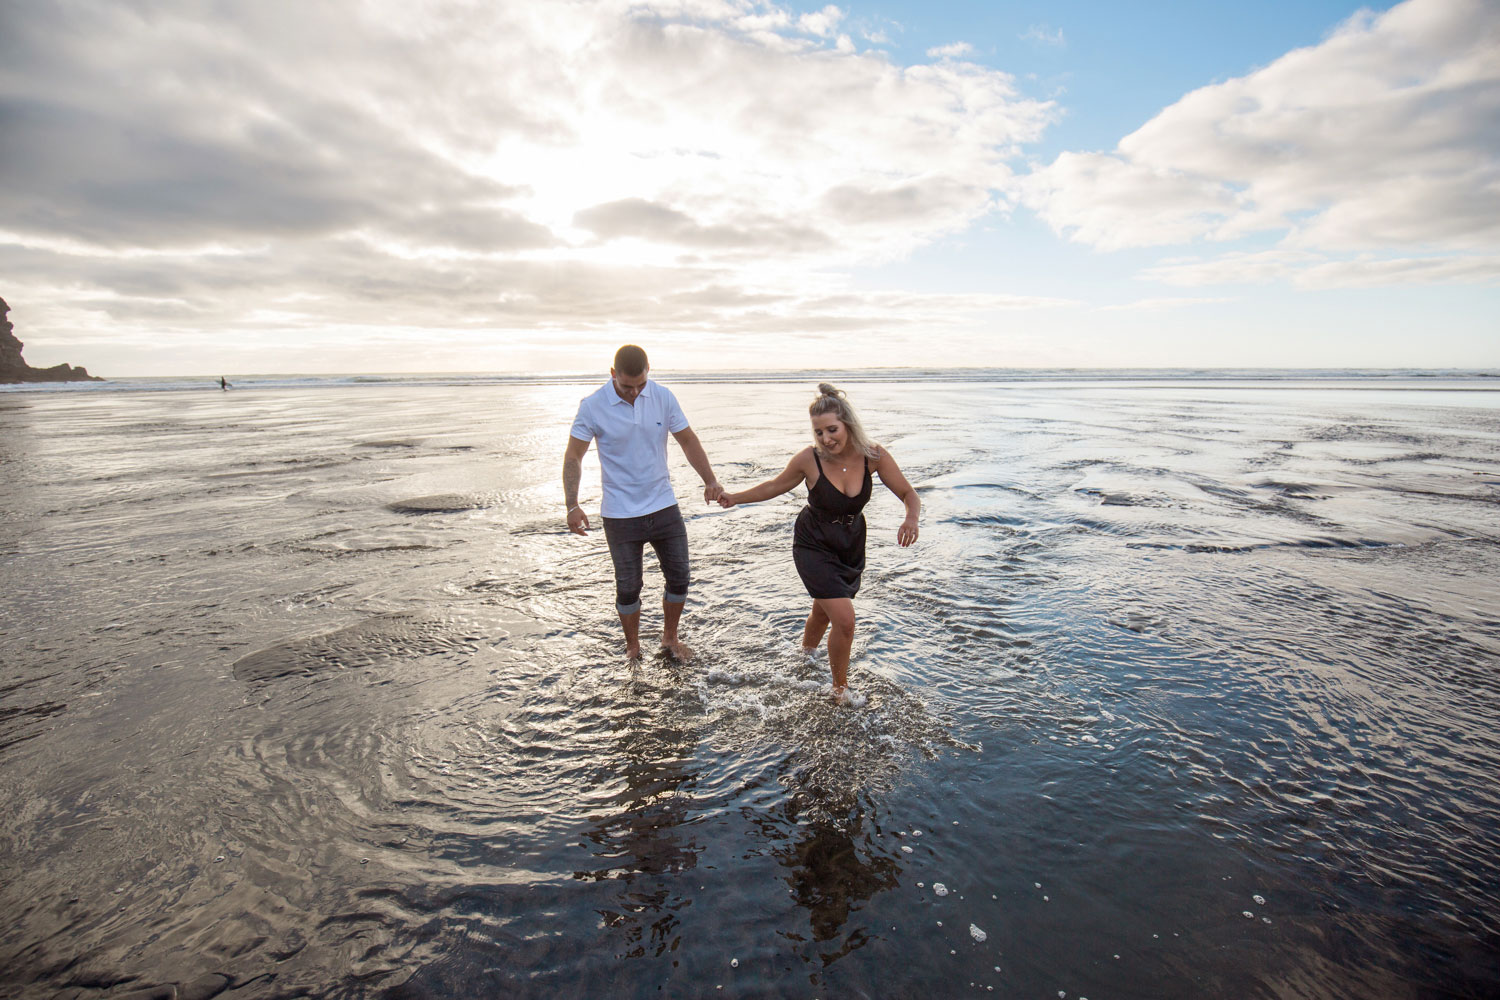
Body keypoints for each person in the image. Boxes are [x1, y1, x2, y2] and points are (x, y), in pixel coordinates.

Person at [717, 383, 919, 703]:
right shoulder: (808, 459)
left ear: (848, 424)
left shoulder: (874, 456)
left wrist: (910, 518)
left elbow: (909, 494)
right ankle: (840, 690)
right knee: (845, 619)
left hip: (849, 544)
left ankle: (805, 654)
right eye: (819, 432)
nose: (826, 439)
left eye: (832, 430)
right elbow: (774, 486)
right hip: (813, 542)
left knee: (824, 612)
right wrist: (734, 498)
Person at [564, 345, 724, 661]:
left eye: (641, 384)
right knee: (628, 586)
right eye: (627, 386)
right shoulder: (593, 406)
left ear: (648, 370)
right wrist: (572, 504)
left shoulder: (662, 397)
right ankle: (633, 646)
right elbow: (574, 455)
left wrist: (710, 480)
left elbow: (688, 440)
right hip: (620, 514)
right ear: (613, 375)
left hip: (663, 505)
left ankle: (669, 637)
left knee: (679, 576)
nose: (636, 391)